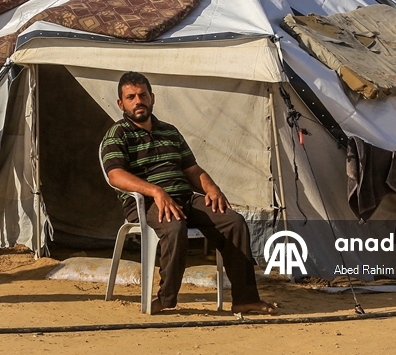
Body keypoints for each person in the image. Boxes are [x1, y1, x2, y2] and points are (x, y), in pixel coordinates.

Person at [100, 72, 277, 315]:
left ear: (152, 98)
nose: (138, 101)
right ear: (121, 104)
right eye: (131, 97)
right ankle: (167, 298)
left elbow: (191, 169)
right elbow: (115, 175)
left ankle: (245, 299)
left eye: (142, 95)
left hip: (184, 197)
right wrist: (156, 191)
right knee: (175, 226)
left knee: (233, 221)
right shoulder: (118, 134)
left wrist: (211, 188)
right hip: (147, 203)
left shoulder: (170, 131)